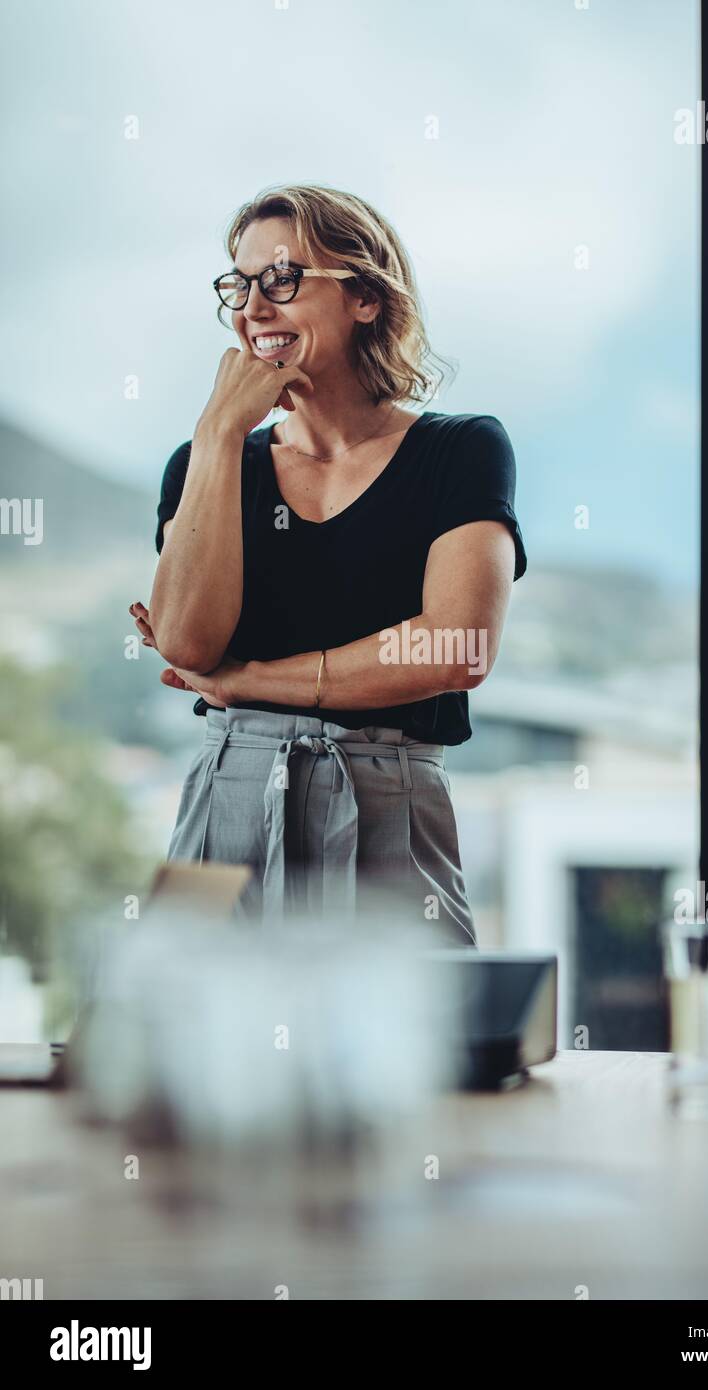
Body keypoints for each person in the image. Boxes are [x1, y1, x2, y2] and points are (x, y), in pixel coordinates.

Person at [130, 183, 527, 943]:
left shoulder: (462, 450)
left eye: (282, 279)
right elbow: (187, 645)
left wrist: (247, 684)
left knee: (424, 1056)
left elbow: (458, 648)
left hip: (388, 805)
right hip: (227, 798)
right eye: (239, 287)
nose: (253, 308)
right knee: (185, 1052)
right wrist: (218, 434)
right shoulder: (205, 462)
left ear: (365, 299)